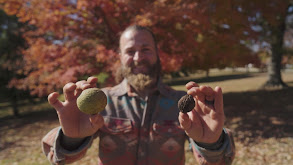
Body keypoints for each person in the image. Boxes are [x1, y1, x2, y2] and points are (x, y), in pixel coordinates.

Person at [42, 25, 235, 165]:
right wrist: (71, 140)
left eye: (145, 50)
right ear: (120, 57)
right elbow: (60, 159)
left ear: (157, 54)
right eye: (130, 51)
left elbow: (217, 163)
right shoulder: (104, 102)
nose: (138, 57)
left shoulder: (183, 104)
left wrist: (211, 144)